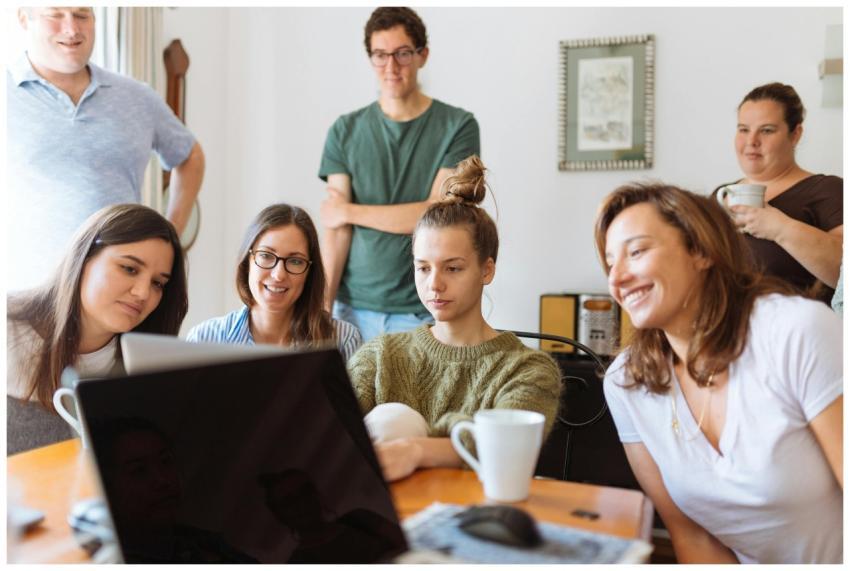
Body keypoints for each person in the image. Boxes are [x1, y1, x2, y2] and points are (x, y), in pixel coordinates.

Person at [595, 182, 842, 563]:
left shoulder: (796, 331)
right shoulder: (626, 382)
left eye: (637, 251)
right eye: (611, 263)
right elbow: (692, 538)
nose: (618, 278)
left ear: (700, 251)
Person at [347, 156, 562, 483]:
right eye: (423, 268)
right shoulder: (378, 357)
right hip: (382, 522)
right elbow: (328, 436)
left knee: (397, 421)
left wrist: (415, 450)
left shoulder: (528, 369)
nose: (434, 284)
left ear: (486, 269)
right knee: (393, 419)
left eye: (453, 268)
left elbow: (507, 450)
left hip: (478, 520)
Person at [8, 7, 205, 292]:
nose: (72, 29)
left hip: (123, 298)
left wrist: (169, 236)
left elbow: (190, 156)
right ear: (25, 19)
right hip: (25, 300)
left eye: (81, 15)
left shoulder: (136, 96)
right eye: (56, 15)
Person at [318, 6, 480, 341]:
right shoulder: (344, 130)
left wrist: (349, 211)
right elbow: (336, 231)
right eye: (380, 55)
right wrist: (321, 310)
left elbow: (436, 214)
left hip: (422, 308)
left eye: (402, 53)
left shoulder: (458, 126)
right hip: (350, 310)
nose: (391, 67)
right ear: (370, 58)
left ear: (423, 55)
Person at [7, 204, 189, 455]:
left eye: (158, 283)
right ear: (84, 258)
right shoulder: (9, 328)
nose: (143, 293)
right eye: (129, 268)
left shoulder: (144, 366)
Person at [716, 82, 842, 303]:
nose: (751, 141)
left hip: (799, 335)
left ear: (795, 134)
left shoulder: (828, 190)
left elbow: (844, 274)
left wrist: (779, 228)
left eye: (766, 130)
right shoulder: (721, 195)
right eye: (743, 129)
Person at [186, 204, 361, 361]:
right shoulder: (203, 340)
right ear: (248, 261)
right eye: (266, 256)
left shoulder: (343, 340)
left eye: (295, 261)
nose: (278, 275)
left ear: (310, 272)